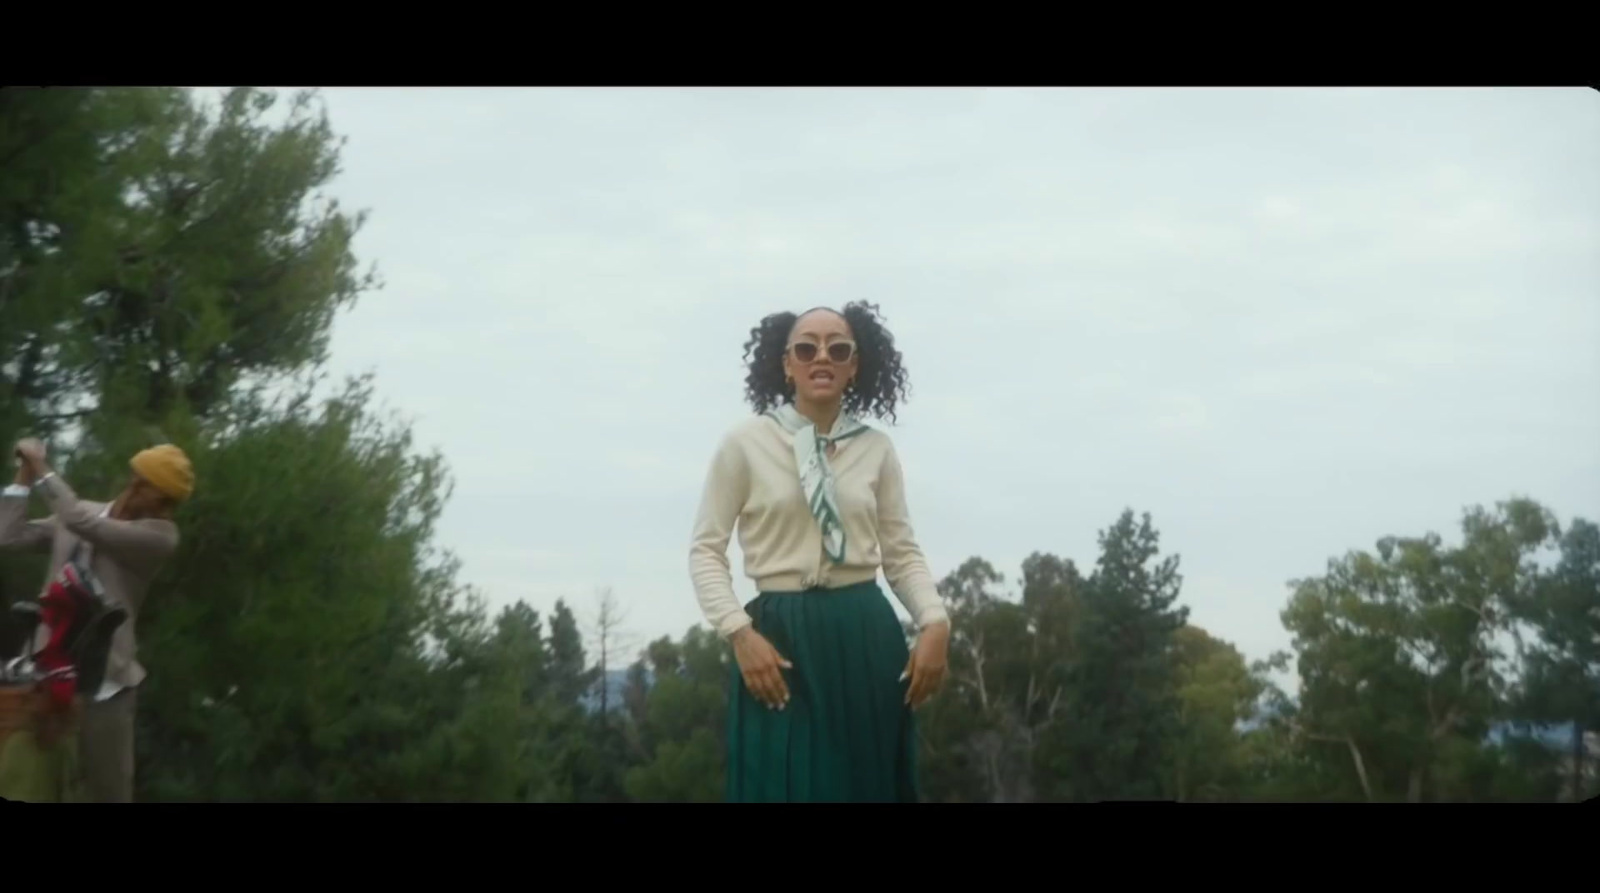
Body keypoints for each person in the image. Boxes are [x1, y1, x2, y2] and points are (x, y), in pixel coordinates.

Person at [689, 302, 951, 802]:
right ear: (787, 363)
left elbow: (900, 554)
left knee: (866, 787)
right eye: (806, 347)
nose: (821, 357)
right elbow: (705, 551)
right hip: (779, 645)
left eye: (838, 347)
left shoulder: (876, 449)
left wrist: (935, 621)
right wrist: (739, 634)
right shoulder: (745, 445)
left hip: (864, 635)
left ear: (855, 364)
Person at [0, 437, 193, 802]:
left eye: (170, 505)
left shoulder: (159, 536)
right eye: (162, 499)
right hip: (49, 673)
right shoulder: (81, 513)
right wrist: (23, 476)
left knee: (109, 791)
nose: (165, 511)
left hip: (105, 684)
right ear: (138, 484)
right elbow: (8, 536)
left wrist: (41, 466)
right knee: (30, 783)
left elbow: (80, 521)